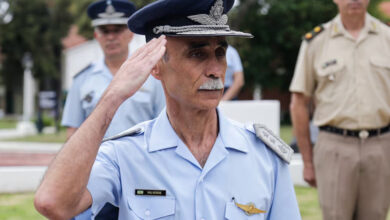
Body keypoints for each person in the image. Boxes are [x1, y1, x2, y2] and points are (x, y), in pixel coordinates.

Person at [35, 0, 301, 219]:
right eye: (197, 54)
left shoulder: (263, 156)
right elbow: (53, 203)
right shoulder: (124, 155)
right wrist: (112, 97)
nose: (215, 70)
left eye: (220, 52)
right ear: (156, 66)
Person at [61, 0, 165, 219]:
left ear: (129, 34)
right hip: (94, 179)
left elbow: (165, 127)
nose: (111, 36)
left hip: (142, 177)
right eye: (104, 30)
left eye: (117, 30)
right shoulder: (83, 79)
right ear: (96, 35)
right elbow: (72, 134)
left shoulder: (153, 75)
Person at [289, 0, 390, 219]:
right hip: (334, 147)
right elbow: (299, 102)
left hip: (380, 147)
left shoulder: (387, 38)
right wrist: (307, 161)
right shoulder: (316, 41)